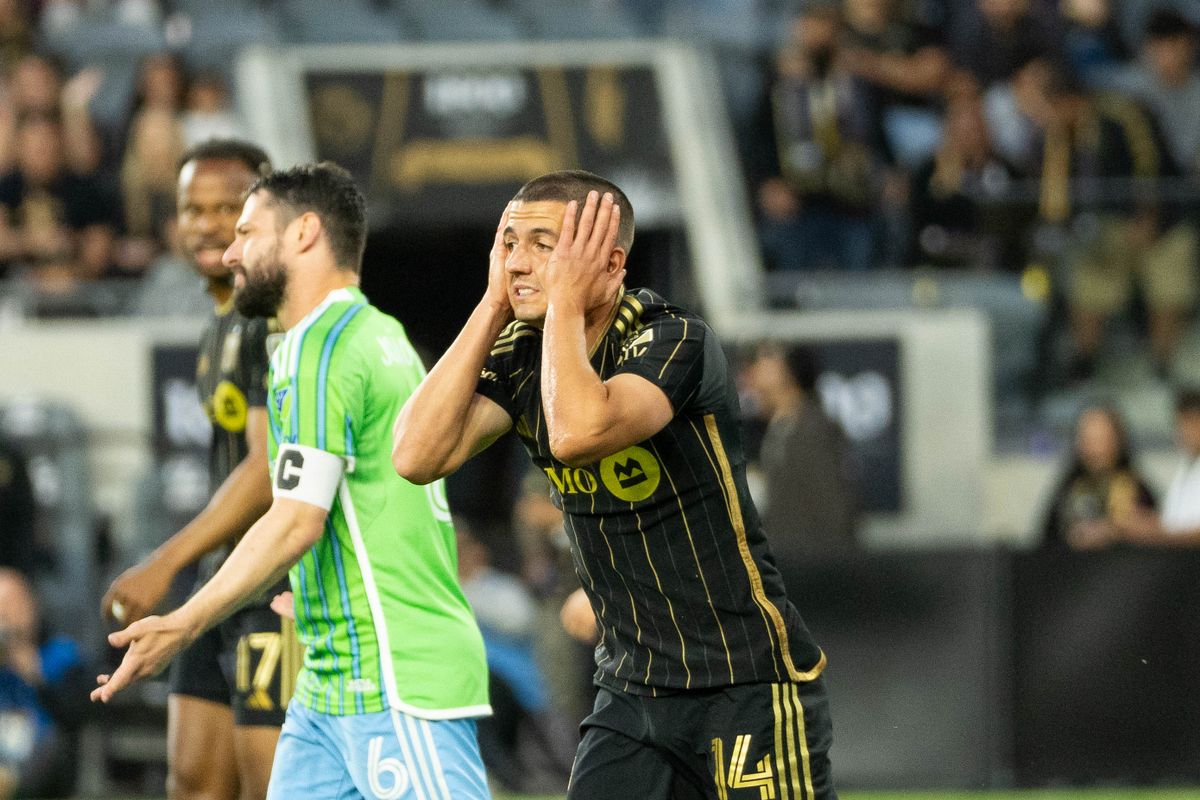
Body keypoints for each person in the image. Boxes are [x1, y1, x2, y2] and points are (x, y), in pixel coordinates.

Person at [393, 170, 837, 799]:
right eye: (509, 244)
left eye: (544, 245)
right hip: (631, 689)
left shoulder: (673, 339)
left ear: (610, 260)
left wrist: (566, 302)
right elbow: (414, 455)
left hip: (743, 681)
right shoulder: (522, 351)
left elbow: (578, 430)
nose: (518, 262)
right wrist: (492, 304)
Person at [93, 162, 492, 800]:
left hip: (390, 675)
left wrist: (184, 621)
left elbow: (294, 517)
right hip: (330, 682)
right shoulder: (377, 333)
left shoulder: (319, 348)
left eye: (248, 232)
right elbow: (350, 503)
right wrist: (314, 589)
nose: (230, 251)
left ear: (304, 233)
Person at [98, 138, 291, 800]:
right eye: (191, 208)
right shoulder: (217, 325)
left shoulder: (273, 320)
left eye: (226, 206)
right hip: (221, 585)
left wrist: (164, 563)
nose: (207, 224)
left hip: (275, 584)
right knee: (194, 786)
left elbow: (268, 470)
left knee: (271, 787)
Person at [744, 343, 859, 567]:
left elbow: (833, 506)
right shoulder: (779, 427)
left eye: (764, 361)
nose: (753, 374)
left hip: (813, 566)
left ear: (789, 372)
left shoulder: (814, 428)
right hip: (785, 563)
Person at [0, 568, 92, 799]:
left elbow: (76, 716)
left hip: (41, 768)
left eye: (11, 606)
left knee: (52, 745)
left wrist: (33, 672)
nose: (5, 617)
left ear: (31, 608)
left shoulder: (61, 655)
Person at [1038, 404, 1155, 550]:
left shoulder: (1137, 490)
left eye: (1102, 439)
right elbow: (1047, 541)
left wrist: (1113, 531)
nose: (1095, 450)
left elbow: (1152, 536)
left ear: (1118, 441)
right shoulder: (1067, 490)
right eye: (1089, 440)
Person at [1114, 389, 1200, 546]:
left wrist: (1157, 533)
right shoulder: (1186, 467)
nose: (1186, 430)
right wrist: (1146, 522)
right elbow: (1175, 523)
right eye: (1181, 422)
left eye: (1193, 422)